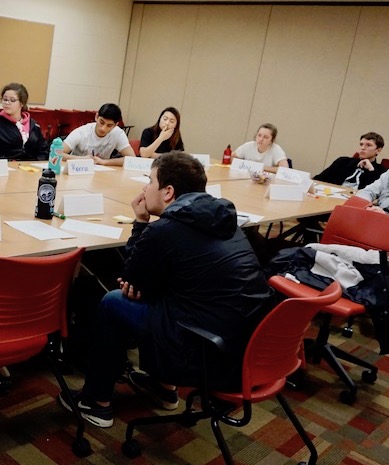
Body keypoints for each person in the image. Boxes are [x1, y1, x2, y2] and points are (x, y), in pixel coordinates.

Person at [57, 151, 273, 428]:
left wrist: (140, 223)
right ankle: (164, 388)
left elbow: (131, 277)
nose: (145, 188)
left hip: (206, 351)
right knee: (163, 294)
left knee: (113, 303)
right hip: (246, 344)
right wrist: (144, 284)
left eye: (150, 181)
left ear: (168, 191)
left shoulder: (168, 230)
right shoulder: (223, 219)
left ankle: (96, 402)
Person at [0, 83, 48, 161]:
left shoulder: (33, 125)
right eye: (5, 99)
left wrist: (37, 163)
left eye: (12, 100)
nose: (7, 103)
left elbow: (43, 149)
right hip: (6, 167)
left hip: (30, 168)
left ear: (22, 103)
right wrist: (6, 162)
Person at [62, 103, 135, 166]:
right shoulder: (82, 132)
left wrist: (105, 162)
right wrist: (81, 159)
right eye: (102, 122)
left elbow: (132, 158)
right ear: (96, 117)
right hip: (77, 169)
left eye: (109, 125)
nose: (103, 128)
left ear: (116, 125)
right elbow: (57, 154)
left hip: (101, 172)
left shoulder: (118, 133)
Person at [314, 132, 386, 190]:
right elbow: (319, 179)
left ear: (378, 150)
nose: (363, 148)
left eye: (368, 145)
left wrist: (370, 170)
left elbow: (372, 193)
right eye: (361, 144)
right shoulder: (343, 162)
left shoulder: (381, 171)